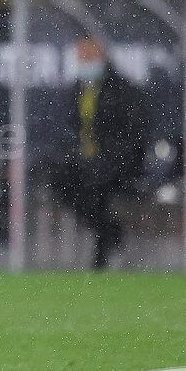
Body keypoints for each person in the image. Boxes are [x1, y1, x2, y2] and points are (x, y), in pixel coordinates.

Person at [49, 35, 150, 269]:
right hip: (86, 163)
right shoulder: (79, 89)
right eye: (80, 59)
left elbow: (134, 133)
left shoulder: (122, 91)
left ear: (101, 58)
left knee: (96, 188)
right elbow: (73, 128)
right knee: (60, 178)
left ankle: (104, 246)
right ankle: (108, 232)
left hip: (117, 165)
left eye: (88, 58)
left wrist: (112, 158)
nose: (83, 64)